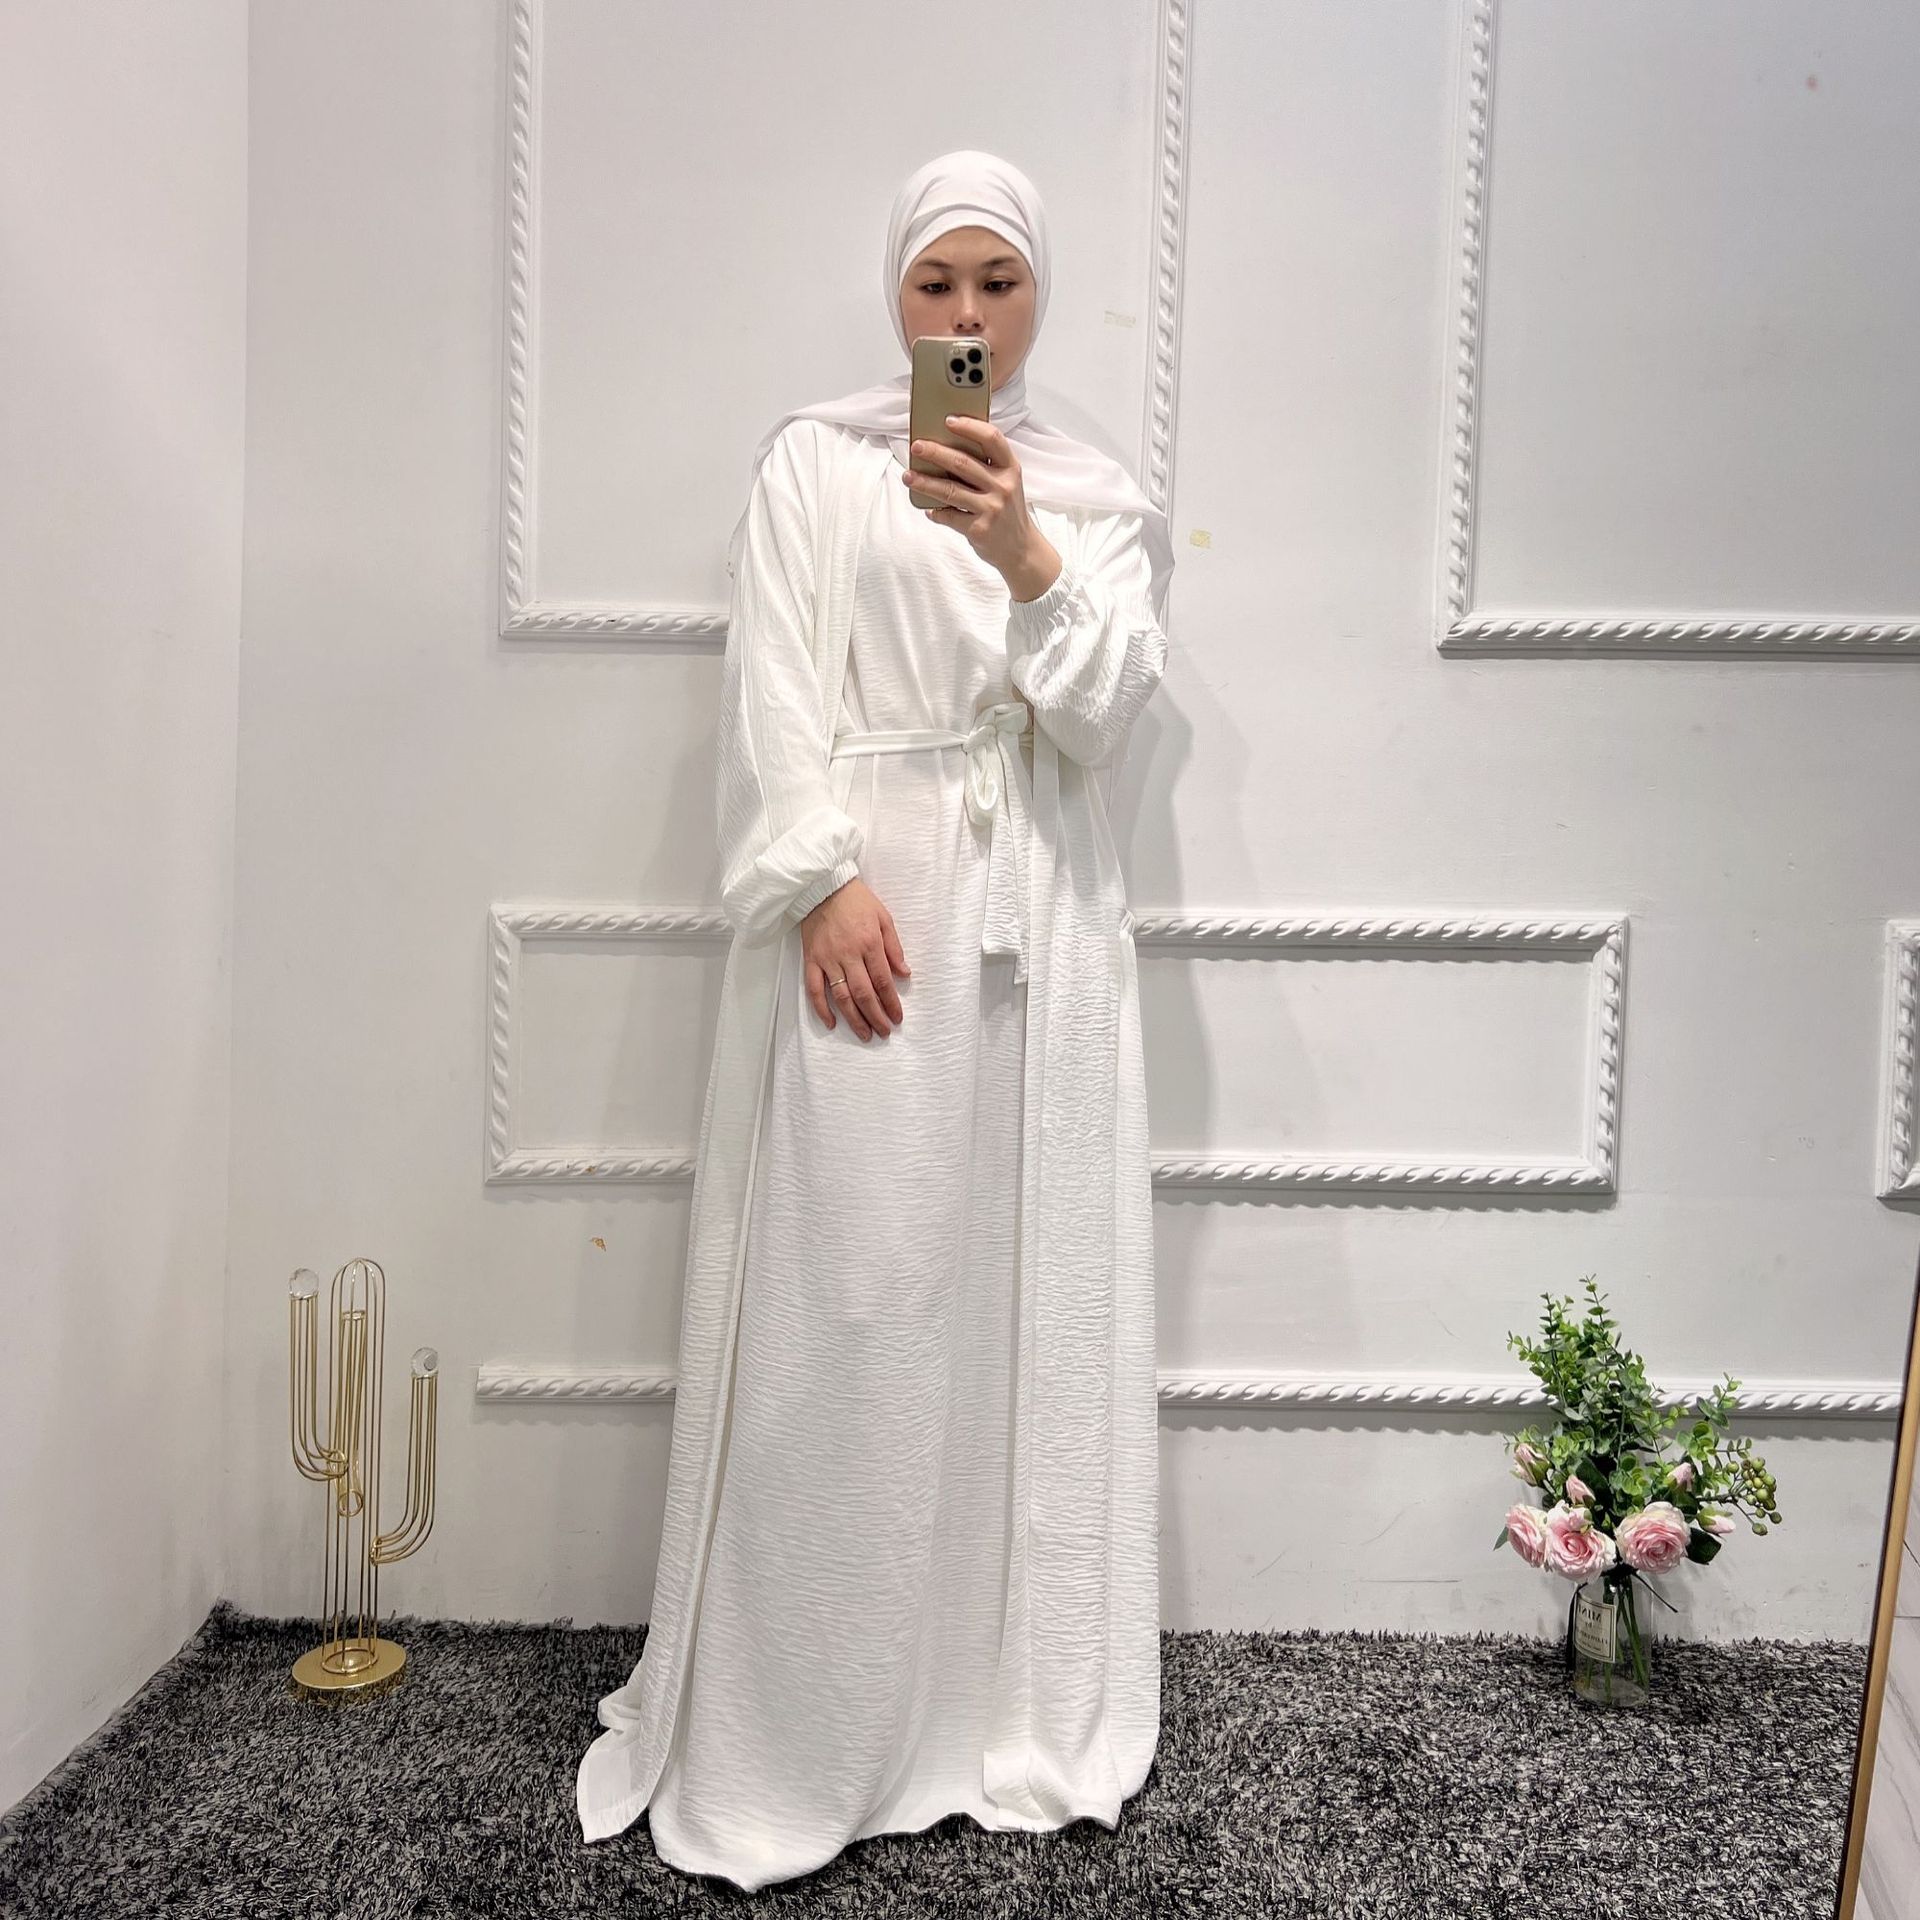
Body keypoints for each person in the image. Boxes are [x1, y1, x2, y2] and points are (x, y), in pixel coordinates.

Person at [576, 148, 1176, 1891]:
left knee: (1016, 1305)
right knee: (852, 1305)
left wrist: (1024, 548)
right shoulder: (816, 466)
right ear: (895, 294)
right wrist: (822, 876)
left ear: (1039, 295)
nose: (967, 315)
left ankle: (987, 1702)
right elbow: (772, 684)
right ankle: (809, 1717)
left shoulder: (1095, 501)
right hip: (870, 926)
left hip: (1040, 936)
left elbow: (1104, 723)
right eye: (937, 284)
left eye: (999, 282)